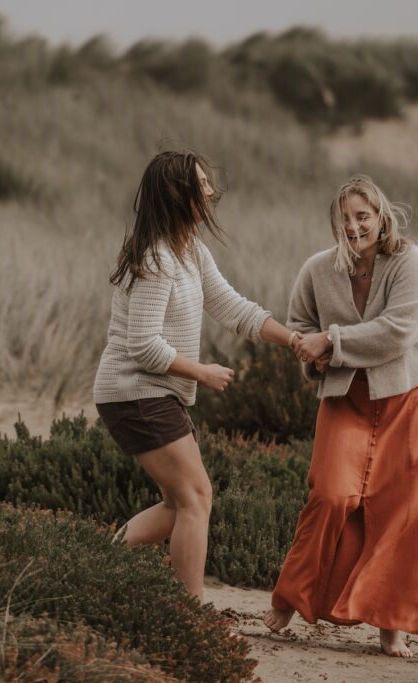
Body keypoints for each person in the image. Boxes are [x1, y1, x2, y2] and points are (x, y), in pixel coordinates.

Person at [263, 175, 418, 658]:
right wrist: (313, 354)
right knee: (330, 496)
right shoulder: (316, 269)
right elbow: (299, 325)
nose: (353, 227)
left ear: (381, 216)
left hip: (407, 399)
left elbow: (398, 332)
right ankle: (289, 599)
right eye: (345, 219)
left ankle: (390, 626)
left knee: (414, 508)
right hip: (345, 401)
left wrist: (332, 342)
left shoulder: (412, 261)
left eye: (362, 216)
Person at [93, 150, 300, 601]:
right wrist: (202, 372)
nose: (211, 191)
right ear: (177, 195)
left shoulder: (191, 252)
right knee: (196, 497)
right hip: (135, 392)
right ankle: (191, 610)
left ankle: (98, 563)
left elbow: (234, 308)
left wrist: (295, 341)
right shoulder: (156, 260)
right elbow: (142, 346)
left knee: (180, 502)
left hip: (153, 393)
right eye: (201, 184)